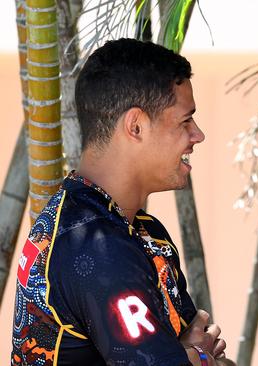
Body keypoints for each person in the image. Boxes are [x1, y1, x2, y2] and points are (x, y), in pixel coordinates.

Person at [12, 39, 233, 366]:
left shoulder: (141, 231)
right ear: (136, 126)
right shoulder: (95, 245)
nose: (197, 135)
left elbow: (213, 352)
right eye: (185, 121)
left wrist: (192, 355)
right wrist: (195, 356)